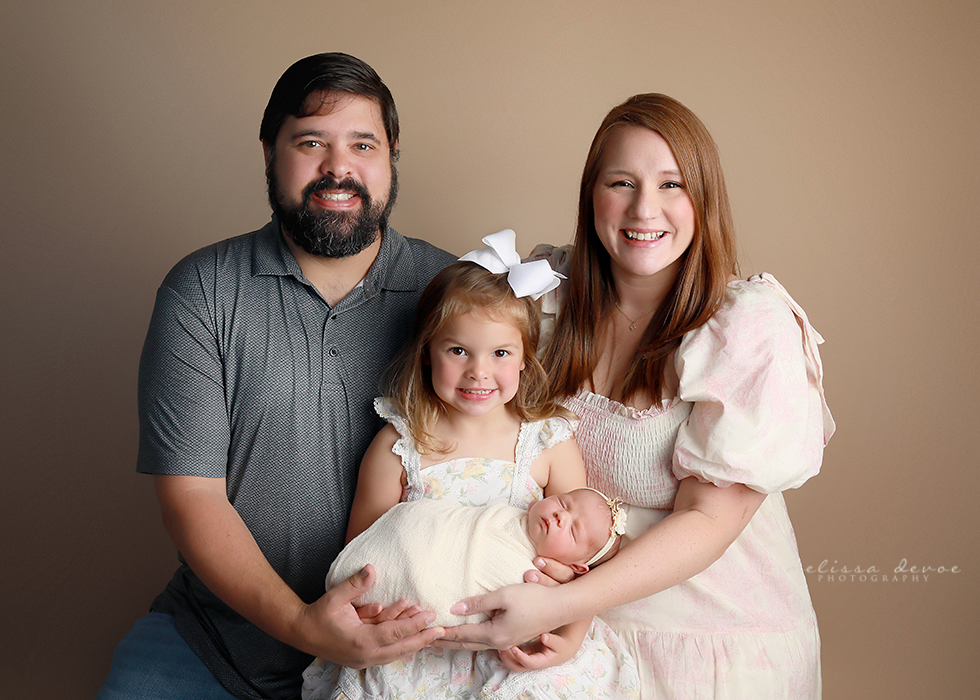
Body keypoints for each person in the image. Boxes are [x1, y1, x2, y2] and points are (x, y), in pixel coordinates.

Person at [441, 94, 836, 699]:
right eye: (621, 182)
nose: (643, 208)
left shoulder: (748, 328)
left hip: (714, 650)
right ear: (591, 195)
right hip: (583, 644)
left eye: (672, 184)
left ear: (703, 200)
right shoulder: (545, 297)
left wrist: (563, 606)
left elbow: (707, 521)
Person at [96, 53, 456, 700]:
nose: (338, 167)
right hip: (219, 642)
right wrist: (304, 626)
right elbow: (192, 499)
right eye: (310, 142)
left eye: (362, 144)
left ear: (391, 156)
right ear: (269, 153)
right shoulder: (200, 292)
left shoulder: (452, 294)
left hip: (409, 652)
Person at [304, 244, 639, 699]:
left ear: (525, 357)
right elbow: (365, 557)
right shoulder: (399, 447)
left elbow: (586, 562)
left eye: (500, 352)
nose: (479, 372)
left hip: (515, 643)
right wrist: (373, 619)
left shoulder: (547, 443)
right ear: (427, 353)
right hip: (420, 645)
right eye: (458, 350)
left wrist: (571, 636)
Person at [318, 487, 626, 629]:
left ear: (576, 568)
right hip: (422, 531)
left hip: (441, 579)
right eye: (563, 502)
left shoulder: (533, 581)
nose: (560, 515)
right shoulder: (508, 516)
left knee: (424, 581)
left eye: (573, 530)